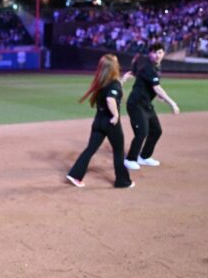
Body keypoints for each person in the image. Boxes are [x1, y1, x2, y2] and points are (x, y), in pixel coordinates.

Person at [66, 54, 135, 189]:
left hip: (98, 121)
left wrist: (123, 80)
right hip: (110, 123)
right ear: (113, 68)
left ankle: (75, 174)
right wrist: (115, 115)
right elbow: (111, 99)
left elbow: (112, 89)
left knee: (90, 149)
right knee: (118, 151)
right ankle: (122, 181)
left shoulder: (101, 82)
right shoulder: (113, 84)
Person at [124, 42, 180, 170]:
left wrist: (158, 95)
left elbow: (151, 86)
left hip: (146, 104)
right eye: (154, 52)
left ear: (164, 53)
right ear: (150, 54)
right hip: (136, 104)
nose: (157, 55)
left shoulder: (157, 67)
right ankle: (130, 159)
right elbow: (157, 87)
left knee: (156, 131)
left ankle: (144, 156)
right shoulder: (148, 67)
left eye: (160, 52)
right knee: (141, 132)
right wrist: (172, 103)